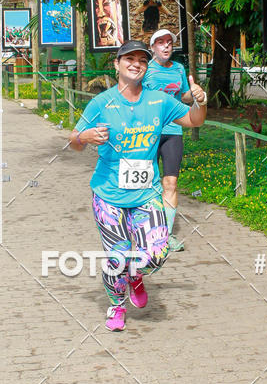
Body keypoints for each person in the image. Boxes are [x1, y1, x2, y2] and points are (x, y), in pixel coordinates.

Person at [70, 40, 207, 332]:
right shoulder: (101, 103)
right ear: (117, 64)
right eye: (129, 58)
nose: (136, 64)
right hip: (109, 196)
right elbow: (73, 141)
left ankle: (135, 274)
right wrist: (85, 138)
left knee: (157, 254)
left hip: (147, 194)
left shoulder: (158, 100)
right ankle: (117, 306)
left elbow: (195, 121)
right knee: (117, 258)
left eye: (142, 60)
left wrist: (200, 100)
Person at [142, 28, 194, 252]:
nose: (166, 46)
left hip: (173, 130)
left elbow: (184, 97)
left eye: (169, 43)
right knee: (146, 182)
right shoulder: (145, 68)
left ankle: (165, 236)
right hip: (147, 131)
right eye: (160, 42)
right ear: (152, 47)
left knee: (170, 183)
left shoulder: (179, 69)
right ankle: (143, 231)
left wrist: (195, 93)